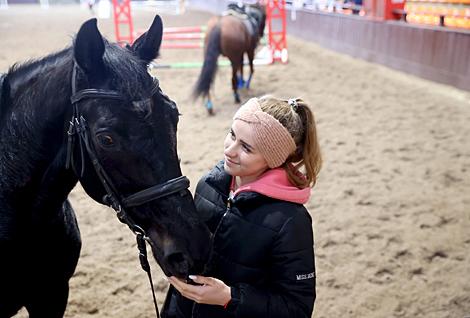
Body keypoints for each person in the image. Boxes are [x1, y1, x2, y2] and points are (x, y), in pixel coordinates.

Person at [162, 95, 322, 318]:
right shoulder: (209, 184)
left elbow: (297, 308)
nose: (229, 150)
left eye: (246, 148)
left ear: (273, 159)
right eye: (232, 134)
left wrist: (229, 298)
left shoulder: (291, 221)